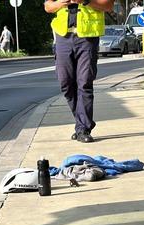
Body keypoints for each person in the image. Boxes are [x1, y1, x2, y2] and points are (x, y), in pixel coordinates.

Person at [44, 0, 114, 143]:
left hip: (87, 37)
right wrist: (61, 3)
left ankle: (83, 129)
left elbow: (108, 5)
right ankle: (81, 122)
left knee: (85, 82)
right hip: (63, 37)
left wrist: (85, 1)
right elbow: (48, 6)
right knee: (65, 82)